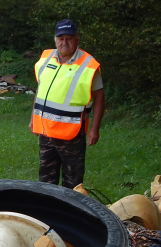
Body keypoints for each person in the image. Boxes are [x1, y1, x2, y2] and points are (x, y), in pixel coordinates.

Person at [29, 19, 105, 189]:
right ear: (55, 39)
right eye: (60, 37)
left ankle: (69, 214)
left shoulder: (88, 65)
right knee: (46, 180)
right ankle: (47, 212)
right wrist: (33, 118)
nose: (64, 42)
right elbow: (41, 90)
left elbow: (99, 98)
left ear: (77, 38)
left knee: (73, 183)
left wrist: (94, 129)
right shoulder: (46, 58)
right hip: (46, 132)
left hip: (71, 134)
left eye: (69, 37)